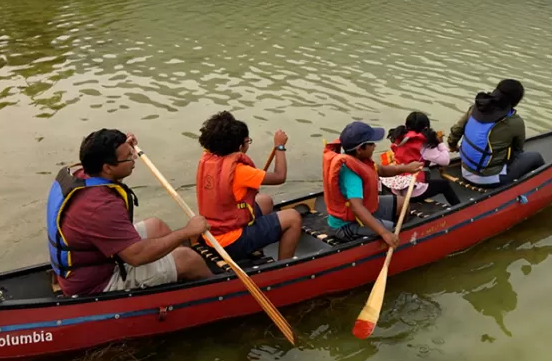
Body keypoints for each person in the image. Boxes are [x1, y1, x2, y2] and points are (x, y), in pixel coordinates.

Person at [47, 129, 213, 297]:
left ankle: (175, 279)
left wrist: (124, 144)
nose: (134, 157)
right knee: (189, 259)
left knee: (157, 226)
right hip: (95, 283)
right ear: (108, 167)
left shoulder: (81, 172)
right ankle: (216, 294)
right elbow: (136, 256)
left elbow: (104, 160)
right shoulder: (101, 206)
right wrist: (187, 231)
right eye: (128, 156)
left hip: (93, 260)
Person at [195, 111, 303, 261]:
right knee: (293, 218)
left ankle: (254, 251)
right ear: (240, 146)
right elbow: (280, 176)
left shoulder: (208, 159)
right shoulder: (240, 171)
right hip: (232, 243)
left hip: (212, 235)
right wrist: (279, 147)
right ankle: (282, 268)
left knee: (265, 200)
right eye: (247, 141)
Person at [322, 121, 424, 246]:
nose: (375, 146)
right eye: (371, 144)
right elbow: (357, 208)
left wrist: (405, 168)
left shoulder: (359, 159)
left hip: (363, 210)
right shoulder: (351, 174)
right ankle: (392, 239)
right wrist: (384, 233)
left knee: (402, 203)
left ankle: (397, 242)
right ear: (360, 149)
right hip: (346, 225)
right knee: (390, 229)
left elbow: (381, 170)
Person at [448, 79, 545, 187]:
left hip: (464, 170)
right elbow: (518, 150)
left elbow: (455, 132)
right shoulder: (514, 122)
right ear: (515, 101)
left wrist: (452, 145)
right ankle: (541, 186)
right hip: (489, 179)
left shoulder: (475, 108)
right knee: (536, 157)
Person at [379, 111, 460, 205]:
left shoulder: (399, 138)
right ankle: (459, 208)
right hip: (412, 192)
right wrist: (440, 143)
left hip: (396, 187)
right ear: (426, 128)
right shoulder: (424, 144)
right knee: (444, 185)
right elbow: (445, 161)